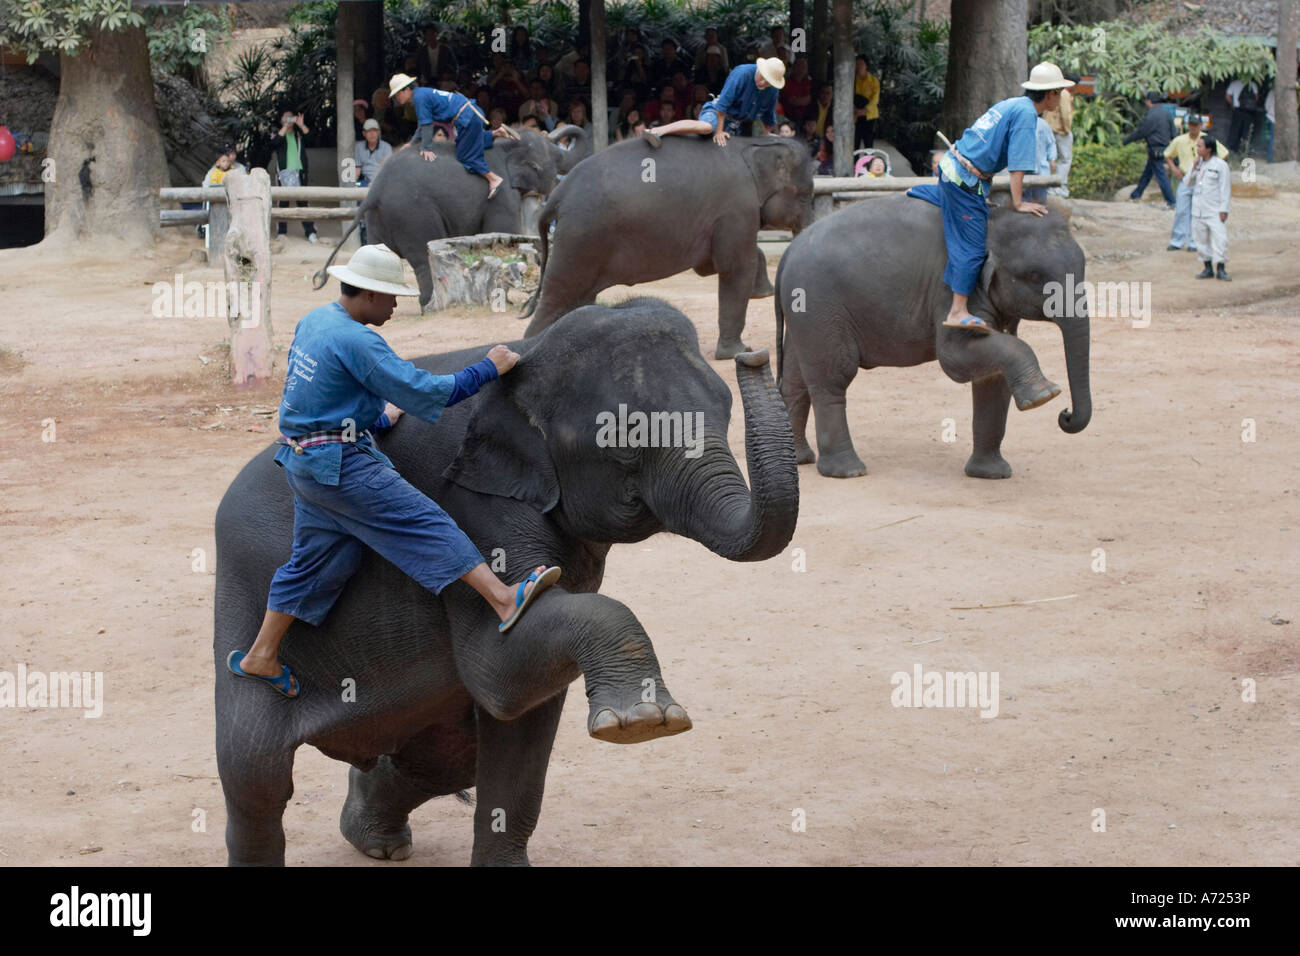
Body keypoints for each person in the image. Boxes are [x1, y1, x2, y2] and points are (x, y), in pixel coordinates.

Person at [227, 245, 561, 698]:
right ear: (365, 294)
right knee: (423, 521)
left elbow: (315, 394)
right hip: (339, 467)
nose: (395, 304)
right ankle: (504, 600)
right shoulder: (360, 341)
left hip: (303, 464)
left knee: (310, 561)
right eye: (389, 296)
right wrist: (490, 367)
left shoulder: (315, 321)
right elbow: (427, 391)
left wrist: (373, 419)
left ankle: (261, 656)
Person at [907, 61, 1072, 334]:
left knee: (966, 204)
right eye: (1060, 91)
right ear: (1051, 93)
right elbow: (1018, 166)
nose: (1062, 97)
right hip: (964, 180)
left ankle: (917, 192)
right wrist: (1019, 203)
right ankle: (957, 310)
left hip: (954, 168)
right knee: (972, 248)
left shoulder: (1014, 103)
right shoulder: (1027, 116)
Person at [389, 73, 516, 200]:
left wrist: (426, 148)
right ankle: (496, 133)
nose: (397, 97)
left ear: (406, 89)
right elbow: (422, 125)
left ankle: (493, 178)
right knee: (465, 142)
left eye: (398, 93)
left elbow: (427, 125)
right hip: (470, 112)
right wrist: (412, 143)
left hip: (467, 117)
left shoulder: (419, 98)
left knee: (465, 155)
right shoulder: (421, 94)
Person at [643, 57, 784, 147]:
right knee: (707, 127)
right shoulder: (741, 73)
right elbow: (723, 104)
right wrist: (719, 131)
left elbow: (768, 113)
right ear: (760, 69)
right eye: (763, 77)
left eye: (768, 81)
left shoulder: (772, 90)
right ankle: (658, 130)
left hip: (740, 122)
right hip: (719, 112)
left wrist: (767, 133)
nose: (763, 82)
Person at [1164, 116, 1227, 252]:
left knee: (1198, 212)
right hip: (1186, 177)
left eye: (1196, 125)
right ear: (1188, 125)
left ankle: (1195, 242)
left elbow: (1223, 153)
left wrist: (1211, 166)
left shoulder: (1207, 139)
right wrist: (1174, 169)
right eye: (1191, 124)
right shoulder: (1180, 140)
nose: (1193, 127)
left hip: (1202, 179)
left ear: (1200, 126)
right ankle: (1177, 241)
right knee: (1181, 210)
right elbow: (1167, 154)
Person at [1187, 134, 1232, 281]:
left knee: (1220, 239)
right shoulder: (1197, 163)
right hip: (1198, 210)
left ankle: (1221, 268)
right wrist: (1193, 168)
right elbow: (1187, 183)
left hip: (1214, 210)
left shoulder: (1220, 165)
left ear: (1209, 149)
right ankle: (1207, 268)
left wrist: (1224, 210)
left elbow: (1225, 189)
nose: (1197, 148)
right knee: (1200, 240)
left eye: (1200, 146)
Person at [1123, 91, 1176, 207]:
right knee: (1148, 173)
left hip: (1155, 149)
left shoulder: (1151, 115)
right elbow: (1174, 134)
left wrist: (1126, 141)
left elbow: (1142, 132)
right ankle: (1136, 195)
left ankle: (1171, 201)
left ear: (1148, 102)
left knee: (1161, 176)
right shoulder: (1166, 114)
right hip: (1165, 148)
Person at [272, 109, 317, 243]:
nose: (288, 119)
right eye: (286, 117)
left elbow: (311, 140)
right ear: (281, 120)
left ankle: (310, 232)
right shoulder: (277, 133)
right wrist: (284, 127)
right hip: (283, 174)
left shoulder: (298, 134)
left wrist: (302, 125)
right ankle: (281, 233)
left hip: (299, 172)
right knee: (283, 203)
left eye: (291, 117)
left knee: (303, 203)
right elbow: (273, 144)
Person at [1043, 81, 1073, 196]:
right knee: (1065, 159)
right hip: (1060, 130)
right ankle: (1060, 186)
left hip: (1048, 127)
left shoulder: (1052, 91)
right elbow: (1065, 113)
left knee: (1048, 158)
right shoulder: (1064, 93)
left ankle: (1048, 186)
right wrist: (1067, 129)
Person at [1225, 77, 1264, 153]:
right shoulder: (1253, 84)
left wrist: (1232, 104)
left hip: (1238, 110)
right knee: (1247, 132)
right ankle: (1243, 151)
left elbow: (1227, 96)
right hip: (1249, 112)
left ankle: (1231, 150)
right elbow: (1256, 97)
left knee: (1234, 131)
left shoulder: (1234, 83)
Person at [414, 23, 458, 88]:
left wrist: (448, 76)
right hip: (426, 81)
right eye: (428, 35)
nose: (430, 37)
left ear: (436, 34)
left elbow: (454, 66)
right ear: (425, 36)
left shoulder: (445, 50)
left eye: (432, 34)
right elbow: (417, 67)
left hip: (443, 81)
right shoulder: (422, 51)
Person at [852, 55, 880, 149]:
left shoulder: (873, 80)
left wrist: (864, 110)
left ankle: (869, 163)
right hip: (855, 114)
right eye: (857, 63)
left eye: (861, 63)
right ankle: (855, 163)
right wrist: (854, 109)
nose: (859, 65)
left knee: (868, 142)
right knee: (855, 142)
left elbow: (875, 99)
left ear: (866, 65)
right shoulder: (852, 79)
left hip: (869, 115)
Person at [1027, 113, 1057, 202]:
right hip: (1024, 171)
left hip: (1040, 170)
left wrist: (1052, 159)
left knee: (1040, 200)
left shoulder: (1043, 124)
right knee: (1025, 199)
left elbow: (1051, 143)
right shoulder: (1020, 124)